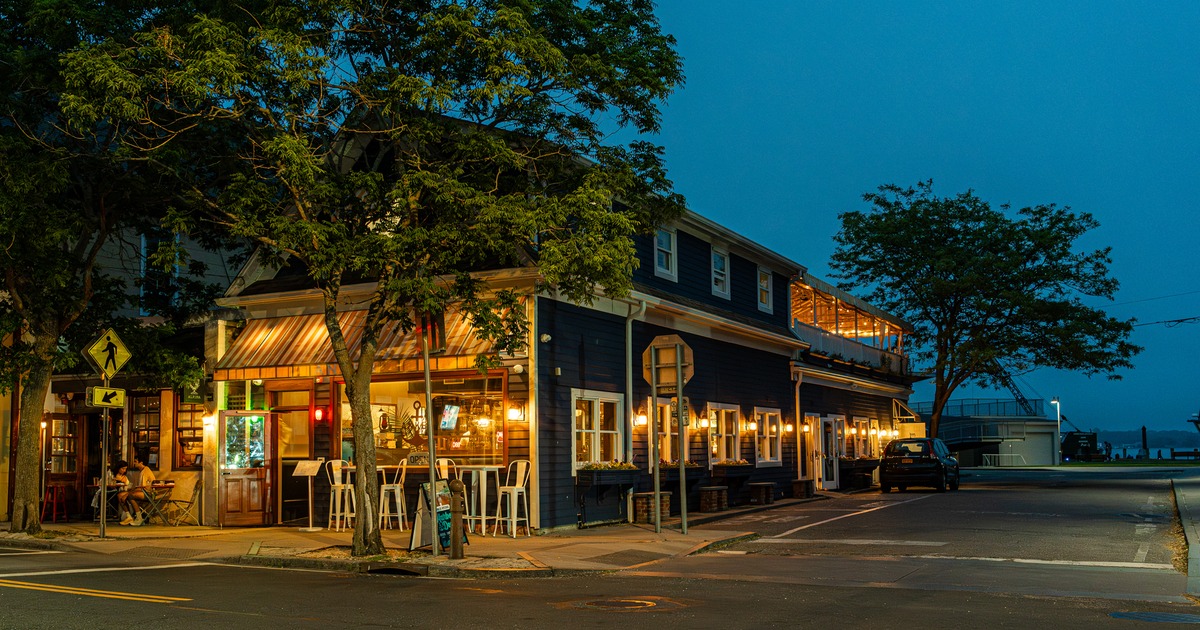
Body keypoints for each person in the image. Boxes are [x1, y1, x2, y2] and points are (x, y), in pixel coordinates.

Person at [119, 451, 157, 526]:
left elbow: (142, 488)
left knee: (130, 496)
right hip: (143, 492)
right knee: (120, 495)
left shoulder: (146, 471)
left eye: (136, 462)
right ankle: (128, 516)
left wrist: (128, 493)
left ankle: (139, 518)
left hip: (148, 493)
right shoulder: (142, 471)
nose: (134, 463)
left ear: (141, 462)